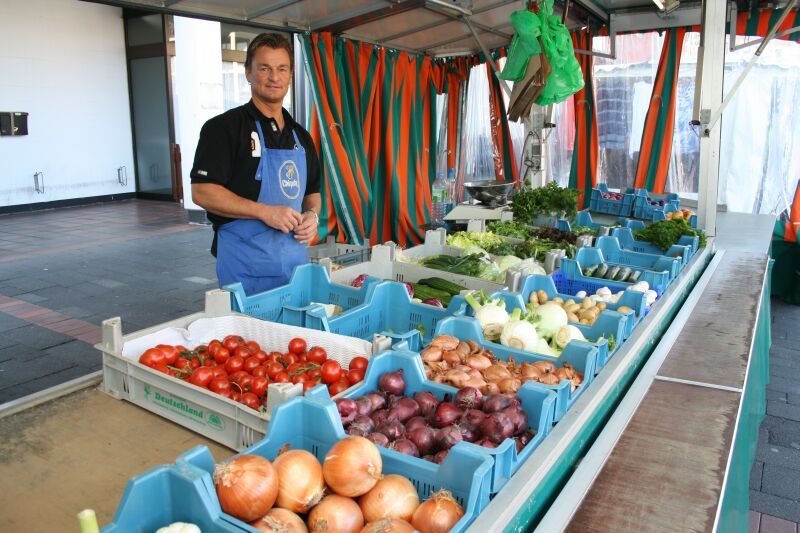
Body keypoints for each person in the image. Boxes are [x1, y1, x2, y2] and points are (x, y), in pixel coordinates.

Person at [191, 33, 321, 295]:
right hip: (245, 268)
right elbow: (202, 191)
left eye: (281, 69)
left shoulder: (301, 136)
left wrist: (312, 216)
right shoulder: (223, 128)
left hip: (295, 265)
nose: (274, 77)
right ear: (248, 73)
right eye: (265, 68)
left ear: (290, 75)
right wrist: (264, 212)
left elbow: (312, 193)